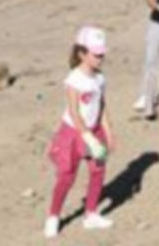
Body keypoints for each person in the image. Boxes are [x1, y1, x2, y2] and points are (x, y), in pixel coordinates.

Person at [44, 26, 116, 238]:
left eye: (102, 54)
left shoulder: (100, 78)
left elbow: (101, 106)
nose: (101, 58)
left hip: (95, 129)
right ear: (82, 53)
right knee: (66, 176)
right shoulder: (74, 79)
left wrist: (108, 133)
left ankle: (91, 213)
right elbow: (75, 111)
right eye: (96, 54)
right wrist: (87, 136)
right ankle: (53, 216)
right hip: (74, 133)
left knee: (97, 171)